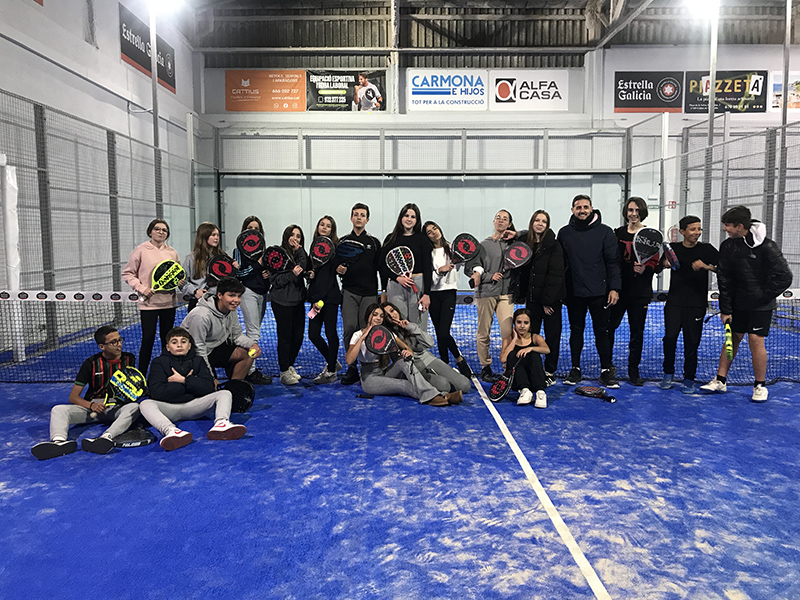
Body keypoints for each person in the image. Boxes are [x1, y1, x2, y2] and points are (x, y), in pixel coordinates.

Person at [700, 205, 792, 402]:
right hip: (737, 304)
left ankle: (760, 386)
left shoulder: (767, 247)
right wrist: (725, 309)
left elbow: (785, 276)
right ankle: (720, 380)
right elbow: (724, 279)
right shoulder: (728, 246)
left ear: (740, 226)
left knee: (755, 341)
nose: (725, 228)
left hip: (761, 306)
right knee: (732, 339)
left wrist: (763, 296)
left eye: (728, 225)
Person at [31, 326, 139, 459]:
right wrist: (91, 405)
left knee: (134, 407)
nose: (119, 344)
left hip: (116, 407)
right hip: (92, 407)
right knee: (58, 410)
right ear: (101, 346)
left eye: (120, 340)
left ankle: (106, 438)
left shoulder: (129, 359)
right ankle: (59, 442)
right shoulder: (90, 364)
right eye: (113, 342)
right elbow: (73, 397)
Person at [140, 327, 247, 451]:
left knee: (224, 394)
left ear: (189, 346)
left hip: (194, 406)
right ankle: (171, 431)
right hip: (169, 409)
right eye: (174, 342)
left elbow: (208, 388)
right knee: (145, 404)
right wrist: (193, 384)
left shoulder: (198, 361)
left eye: (183, 341)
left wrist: (183, 380)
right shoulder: (158, 362)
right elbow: (157, 393)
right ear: (168, 347)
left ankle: (221, 423)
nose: (179, 345)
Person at [557, 195, 622, 388]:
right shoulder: (564, 233)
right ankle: (575, 369)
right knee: (576, 332)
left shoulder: (605, 232)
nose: (582, 210)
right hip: (574, 294)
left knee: (602, 332)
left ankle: (605, 371)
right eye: (578, 207)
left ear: (592, 208)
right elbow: (560, 264)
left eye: (585, 207)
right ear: (572, 210)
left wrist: (614, 288)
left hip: (600, 294)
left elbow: (613, 262)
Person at [345, 304, 460, 406]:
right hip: (370, 379)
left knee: (403, 361)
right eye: (375, 315)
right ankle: (442, 396)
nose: (378, 318)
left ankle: (436, 396)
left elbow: (407, 348)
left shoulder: (386, 333)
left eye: (381, 316)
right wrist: (363, 337)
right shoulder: (357, 335)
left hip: (385, 372)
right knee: (404, 384)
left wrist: (408, 352)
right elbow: (349, 360)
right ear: (368, 316)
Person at [659, 215, 719, 394]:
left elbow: (725, 268)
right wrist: (664, 263)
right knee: (670, 339)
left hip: (696, 305)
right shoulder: (673, 249)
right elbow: (658, 266)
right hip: (674, 304)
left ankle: (689, 378)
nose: (697, 232)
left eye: (699, 229)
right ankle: (668, 373)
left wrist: (706, 266)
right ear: (682, 231)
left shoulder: (707, 249)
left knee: (692, 343)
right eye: (693, 229)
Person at [608, 197, 662, 386]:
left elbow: (656, 264)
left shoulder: (651, 236)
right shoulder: (617, 234)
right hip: (618, 292)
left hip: (640, 293)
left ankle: (633, 370)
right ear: (626, 212)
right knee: (608, 328)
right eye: (630, 210)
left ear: (643, 212)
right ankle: (607, 367)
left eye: (637, 210)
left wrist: (645, 269)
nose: (633, 214)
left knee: (636, 333)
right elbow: (612, 261)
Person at [122, 218, 181, 376]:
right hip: (148, 305)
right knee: (147, 339)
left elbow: (176, 273)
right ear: (150, 232)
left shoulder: (172, 252)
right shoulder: (140, 251)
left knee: (167, 340)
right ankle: (141, 374)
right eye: (157, 229)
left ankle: (167, 373)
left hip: (169, 304)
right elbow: (128, 274)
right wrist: (142, 288)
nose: (161, 232)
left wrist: (180, 281)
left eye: (164, 230)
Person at [513, 210, 565, 387]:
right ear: (532, 222)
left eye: (544, 221)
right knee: (529, 336)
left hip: (550, 302)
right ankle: (530, 369)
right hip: (532, 301)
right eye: (537, 220)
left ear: (547, 225)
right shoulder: (525, 244)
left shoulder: (554, 245)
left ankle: (549, 371)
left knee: (552, 336)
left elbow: (556, 275)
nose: (540, 224)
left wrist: (547, 301)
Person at [465, 209, 516, 384]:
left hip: (506, 294)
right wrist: (488, 276)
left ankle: (507, 367)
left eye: (505, 219)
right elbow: (470, 268)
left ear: (509, 224)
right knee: (483, 333)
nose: (500, 220)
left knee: (507, 332)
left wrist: (516, 234)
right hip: (485, 293)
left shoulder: (514, 244)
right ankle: (485, 367)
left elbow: (530, 235)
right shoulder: (482, 245)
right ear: (494, 221)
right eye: (498, 218)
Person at [180, 276, 261, 385]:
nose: (236, 300)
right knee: (210, 389)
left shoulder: (230, 310)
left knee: (247, 353)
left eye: (239, 296)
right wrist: (211, 378)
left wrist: (252, 344)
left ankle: (234, 387)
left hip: (213, 349)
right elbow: (198, 348)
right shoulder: (201, 315)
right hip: (191, 355)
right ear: (219, 295)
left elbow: (236, 335)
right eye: (231, 295)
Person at [381, 301, 471, 397]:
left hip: (427, 359)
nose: (392, 316)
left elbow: (430, 343)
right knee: (444, 385)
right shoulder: (388, 335)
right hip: (413, 367)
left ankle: (447, 379)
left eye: (392, 311)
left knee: (465, 385)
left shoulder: (410, 325)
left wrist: (410, 327)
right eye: (388, 316)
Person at [423, 220, 473, 378]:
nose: (434, 232)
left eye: (435, 228)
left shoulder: (453, 248)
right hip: (432, 294)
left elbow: (468, 261)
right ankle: (445, 365)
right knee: (439, 333)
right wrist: (440, 270)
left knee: (444, 332)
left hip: (449, 293)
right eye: (429, 232)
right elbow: (428, 275)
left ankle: (459, 359)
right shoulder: (427, 252)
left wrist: (475, 272)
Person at [338, 203, 382, 386]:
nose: (359, 218)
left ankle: (369, 366)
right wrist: (338, 269)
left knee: (367, 329)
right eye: (356, 214)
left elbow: (380, 268)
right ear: (351, 218)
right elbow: (336, 264)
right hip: (349, 292)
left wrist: (383, 292)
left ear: (367, 220)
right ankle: (352, 367)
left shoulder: (375, 243)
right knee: (349, 328)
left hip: (369, 294)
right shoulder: (342, 242)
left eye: (362, 215)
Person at [380, 203, 433, 329]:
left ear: (417, 220)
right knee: (397, 324)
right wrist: (397, 278)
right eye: (406, 215)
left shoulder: (423, 239)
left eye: (413, 217)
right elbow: (381, 265)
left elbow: (428, 268)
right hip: (396, 286)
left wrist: (426, 294)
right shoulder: (391, 239)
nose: (409, 219)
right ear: (401, 218)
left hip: (418, 285)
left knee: (417, 327)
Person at [233, 216, 272, 385]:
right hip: (248, 292)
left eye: (256, 228)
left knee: (255, 330)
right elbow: (239, 273)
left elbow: (268, 269)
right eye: (250, 228)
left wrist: (267, 273)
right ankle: (250, 370)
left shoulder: (264, 251)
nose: (253, 231)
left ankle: (248, 366)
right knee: (253, 332)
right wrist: (257, 265)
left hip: (263, 294)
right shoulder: (238, 251)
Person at [270, 224, 309, 385]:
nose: (295, 238)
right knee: (285, 337)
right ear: (286, 237)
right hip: (281, 302)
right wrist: (291, 275)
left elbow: (305, 266)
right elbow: (275, 280)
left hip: (298, 302)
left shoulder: (301, 255)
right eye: (292, 235)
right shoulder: (277, 255)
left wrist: (300, 251)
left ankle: (290, 365)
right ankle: (284, 370)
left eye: (298, 236)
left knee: (298, 336)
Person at [307, 215, 342, 385]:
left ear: (332, 230)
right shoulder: (313, 247)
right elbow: (313, 274)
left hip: (329, 299)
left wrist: (318, 300)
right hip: (316, 299)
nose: (324, 227)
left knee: (330, 333)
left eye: (328, 226)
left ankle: (331, 371)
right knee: (313, 335)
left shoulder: (335, 250)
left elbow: (328, 278)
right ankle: (332, 361)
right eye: (322, 224)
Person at [499, 308, 550, 408]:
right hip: (517, 382)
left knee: (534, 354)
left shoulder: (536, 338)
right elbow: (503, 359)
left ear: (530, 324)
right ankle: (525, 391)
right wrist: (514, 339)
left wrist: (530, 348)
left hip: (534, 380)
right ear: (514, 324)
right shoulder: (508, 340)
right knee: (512, 354)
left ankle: (541, 393)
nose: (522, 326)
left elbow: (547, 350)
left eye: (526, 323)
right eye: (519, 322)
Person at [180, 222, 224, 313]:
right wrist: (195, 291)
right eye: (213, 235)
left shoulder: (222, 257)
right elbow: (182, 282)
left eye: (217, 235)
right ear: (204, 236)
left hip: (218, 302)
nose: (216, 238)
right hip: (197, 302)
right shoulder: (191, 258)